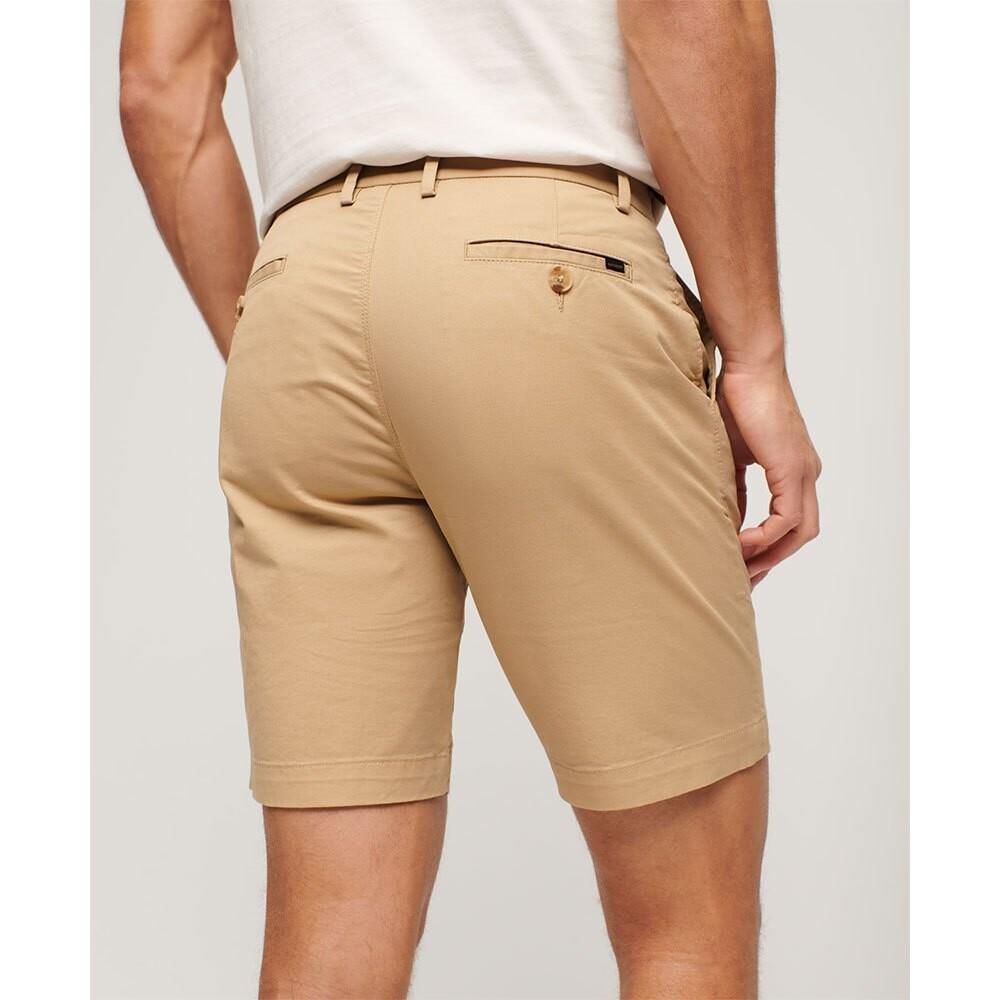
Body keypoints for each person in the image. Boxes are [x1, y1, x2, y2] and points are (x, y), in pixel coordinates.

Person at [120, 1, 821, 996]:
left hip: (299, 290)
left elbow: (159, 83)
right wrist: (755, 359)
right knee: (684, 921)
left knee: (328, 939)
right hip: (542, 265)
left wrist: (290, 344)